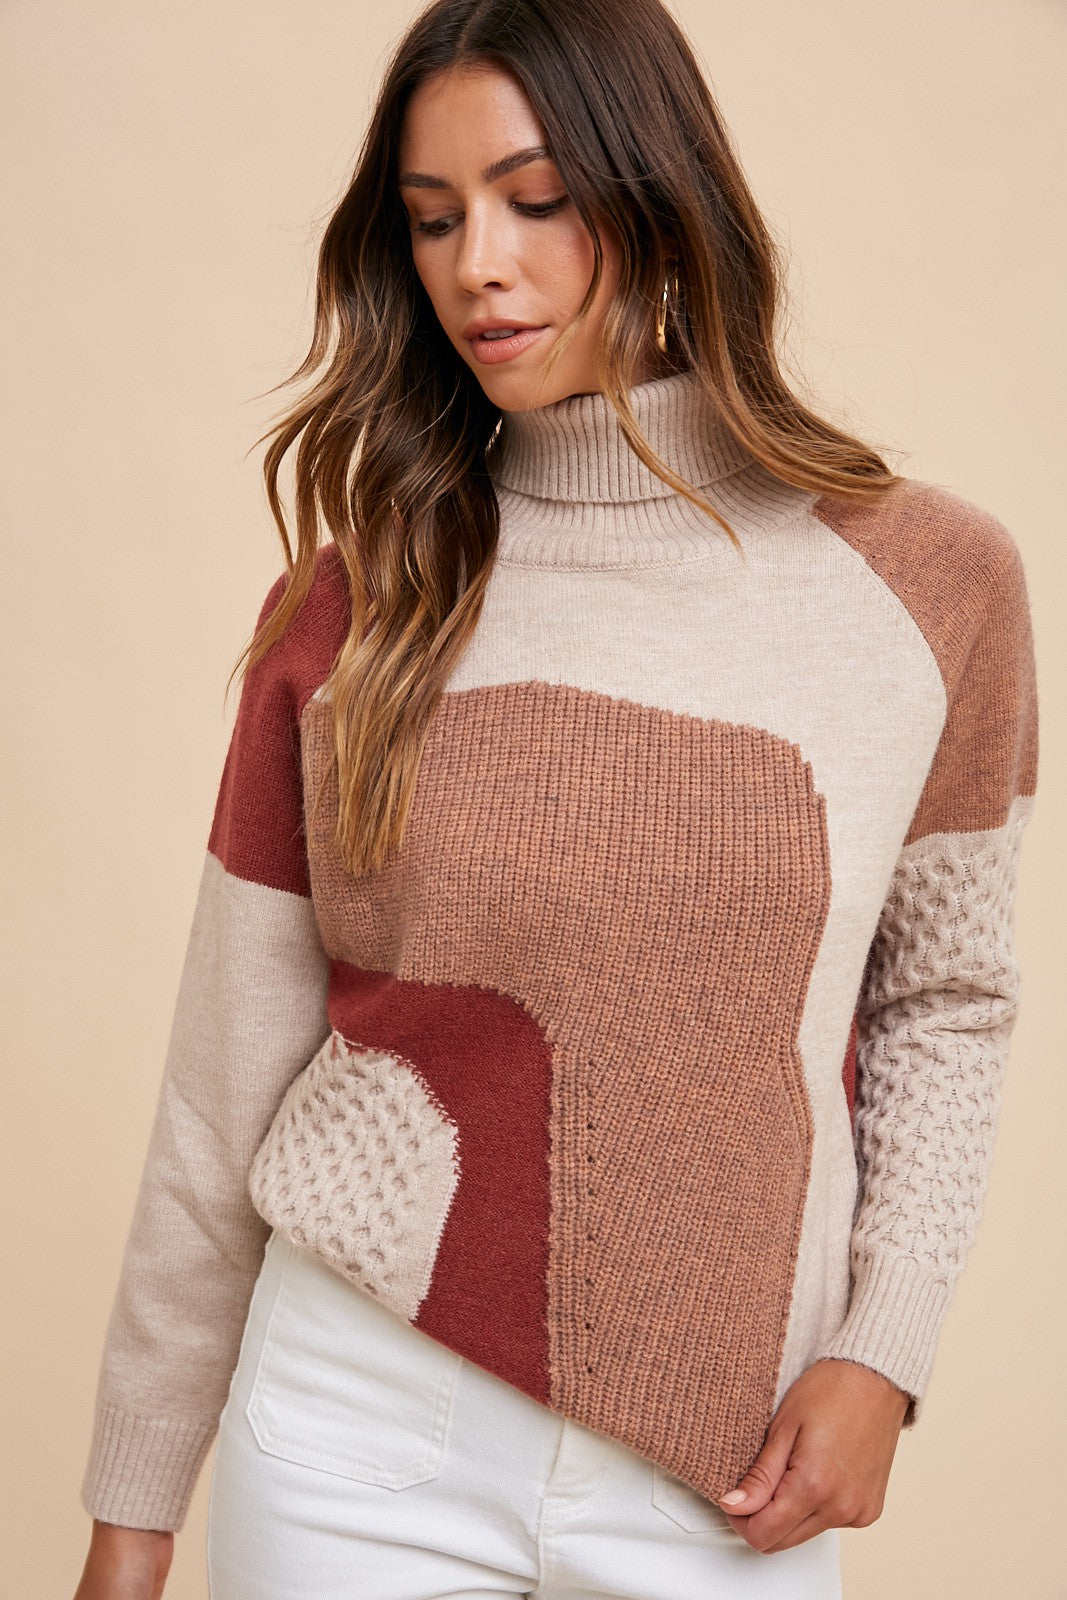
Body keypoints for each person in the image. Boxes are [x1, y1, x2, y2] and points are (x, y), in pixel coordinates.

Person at [73, 0, 1040, 1596]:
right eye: (433, 218)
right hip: (354, 1430)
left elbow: (947, 998)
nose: (479, 267)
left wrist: (887, 1347)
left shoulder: (929, 585)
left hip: (731, 1465)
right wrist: (131, 1512)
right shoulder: (355, 606)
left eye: (536, 200)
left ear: (661, 197)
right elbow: (219, 1085)